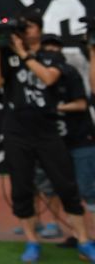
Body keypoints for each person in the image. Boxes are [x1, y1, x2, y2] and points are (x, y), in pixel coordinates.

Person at [0, 10, 95, 262]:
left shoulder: (50, 55)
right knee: (22, 189)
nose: (24, 31)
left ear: (38, 29)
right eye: (21, 27)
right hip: (16, 131)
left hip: (47, 130)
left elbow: (47, 79)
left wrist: (24, 54)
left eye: (29, 27)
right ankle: (32, 241)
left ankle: (83, 240)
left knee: (66, 186)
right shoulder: (7, 55)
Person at [42, 34, 95, 245]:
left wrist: (54, 108)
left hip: (81, 140)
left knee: (88, 191)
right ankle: (77, 234)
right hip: (57, 142)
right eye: (47, 50)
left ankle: (89, 236)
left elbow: (82, 104)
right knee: (61, 189)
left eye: (56, 50)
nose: (52, 54)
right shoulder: (37, 77)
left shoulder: (70, 73)